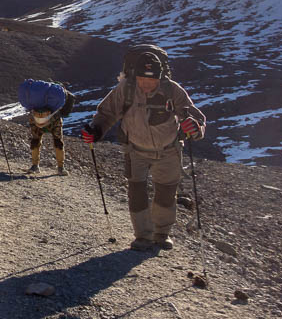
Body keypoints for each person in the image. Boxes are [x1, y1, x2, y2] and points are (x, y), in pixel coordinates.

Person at [81, 52, 206, 251]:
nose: (147, 84)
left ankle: (161, 234)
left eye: (152, 80)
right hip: (135, 150)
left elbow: (194, 116)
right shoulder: (126, 88)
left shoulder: (172, 90)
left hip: (168, 150)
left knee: (166, 192)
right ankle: (142, 236)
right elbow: (107, 113)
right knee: (136, 191)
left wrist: (196, 128)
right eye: (142, 79)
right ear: (135, 76)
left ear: (160, 77)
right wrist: (96, 130)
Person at [19, 79, 75, 176]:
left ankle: (35, 166)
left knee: (35, 141)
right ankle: (61, 168)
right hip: (54, 121)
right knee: (58, 141)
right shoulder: (57, 99)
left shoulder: (36, 98)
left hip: (35, 120)